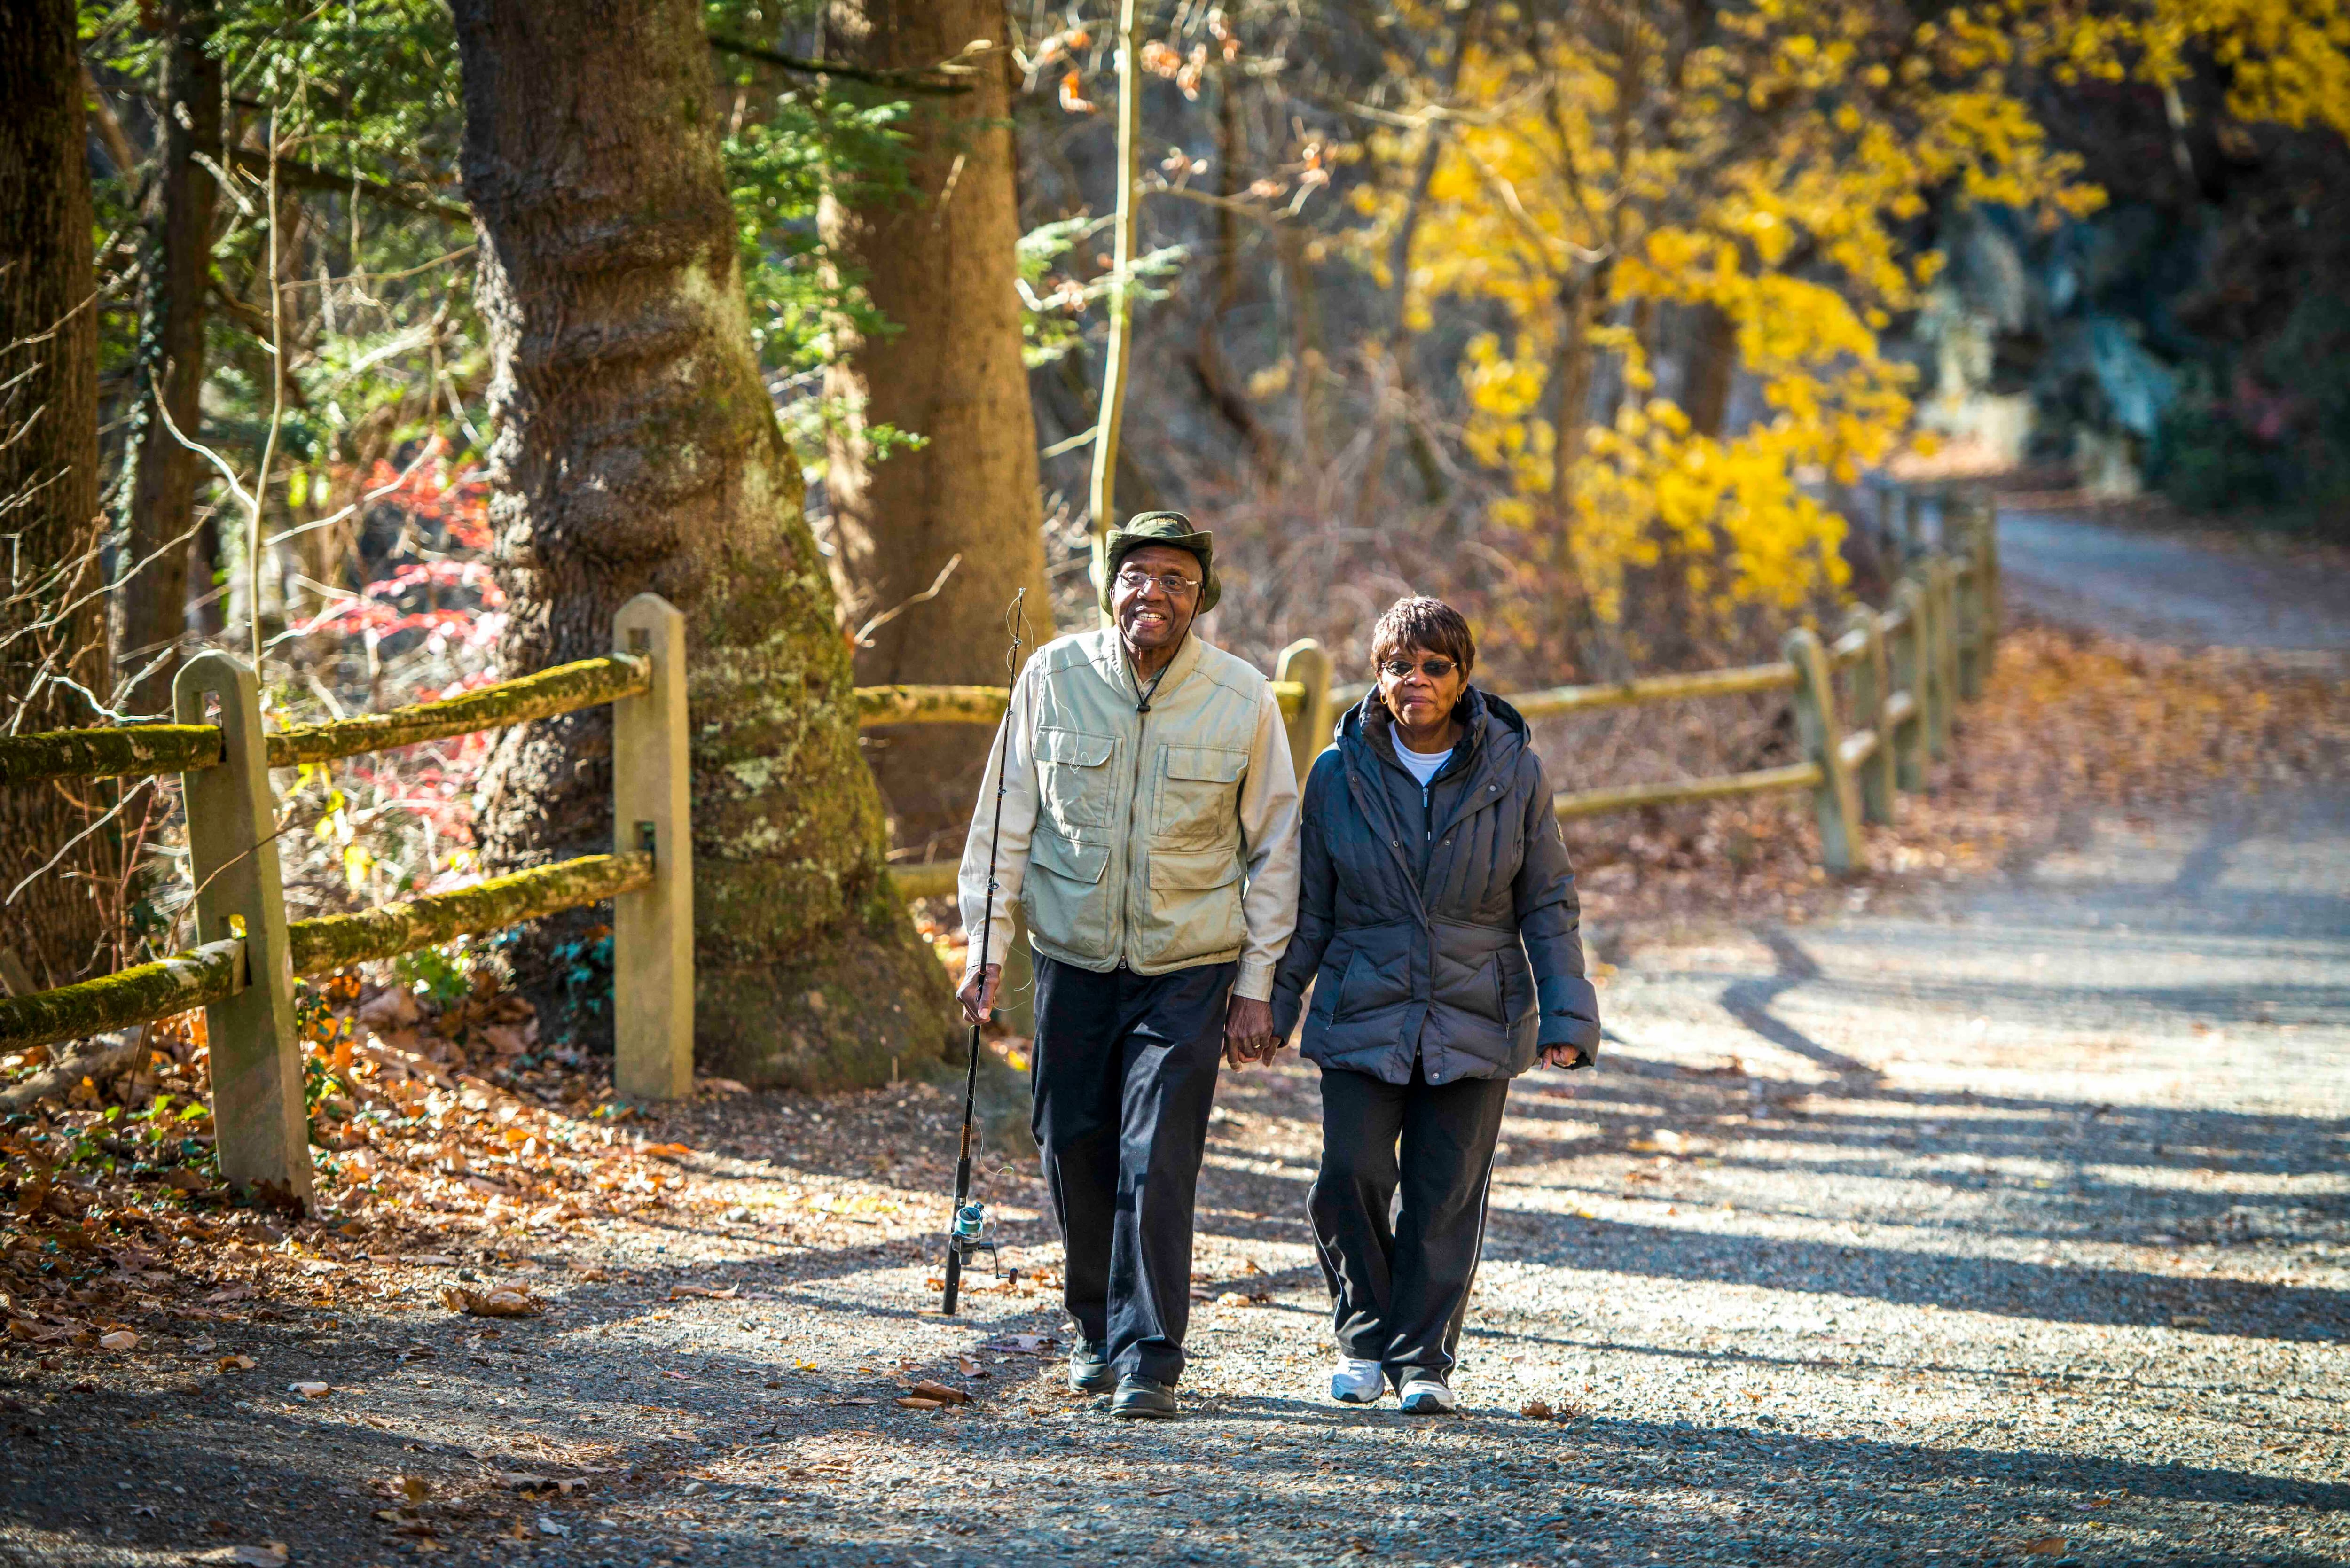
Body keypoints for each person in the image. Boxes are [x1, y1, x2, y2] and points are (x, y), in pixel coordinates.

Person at [956, 512, 1300, 1420]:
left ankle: (1150, 1349)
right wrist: (984, 949)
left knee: (1158, 1152)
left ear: (1203, 600)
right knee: (1072, 1143)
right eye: (1138, 575)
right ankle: (1093, 1327)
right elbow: (1003, 823)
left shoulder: (1243, 697)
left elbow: (1276, 848)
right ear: (1112, 588)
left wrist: (1258, 983)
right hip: (1069, 957)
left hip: (1188, 964)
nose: (1155, 592)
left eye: (1177, 580)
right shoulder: (1053, 678)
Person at [1269, 596, 1601, 1414]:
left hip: (1477, 1006)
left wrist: (1566, 1015)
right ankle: (1362, 1338)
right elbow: (1310, 905)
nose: (1413, 681)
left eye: (1432, 667)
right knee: (1348, 1174)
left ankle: (1422, 1360)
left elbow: (1549, 900)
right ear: (1377, 677)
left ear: (1462, 677)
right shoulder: (1338, 771)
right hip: (1362, 1000)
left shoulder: (1513, 769)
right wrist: (1272, 1003)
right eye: (1396, 667)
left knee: (1446, 1189)